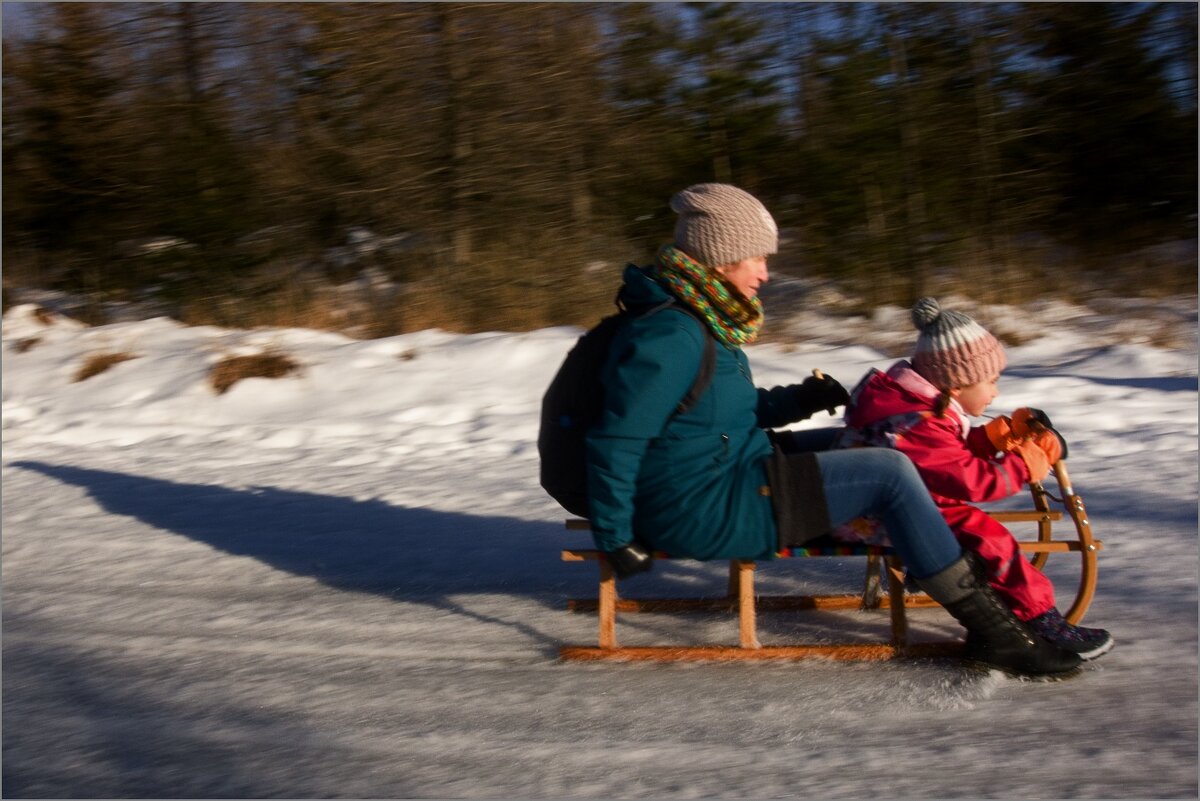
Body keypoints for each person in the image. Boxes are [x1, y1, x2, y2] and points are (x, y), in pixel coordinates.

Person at [585, 183, 1081, 678]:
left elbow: (715, 413)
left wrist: (799, 401)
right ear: (721, 257)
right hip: (703, 506)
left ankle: (970, 580)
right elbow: (616, 438)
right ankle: (1000, 635)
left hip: (726, 472)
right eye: (756, 257)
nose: (765, 271)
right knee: (889, 470)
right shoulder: (673, 335)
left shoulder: (703, 320)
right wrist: (614, 535)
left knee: (882, 450)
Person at [832, 297, 1113, 660]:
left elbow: (946, 457)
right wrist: (1025, 463)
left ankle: (970, 581)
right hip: (878, 518)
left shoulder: (915, 409)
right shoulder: (915, 423)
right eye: (991, 381)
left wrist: (997, 438)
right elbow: (971, 481)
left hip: (893, 502)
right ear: (956, 384)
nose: (996, 391)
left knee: (977, 531)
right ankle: (1039, 616)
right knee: (992, 539)